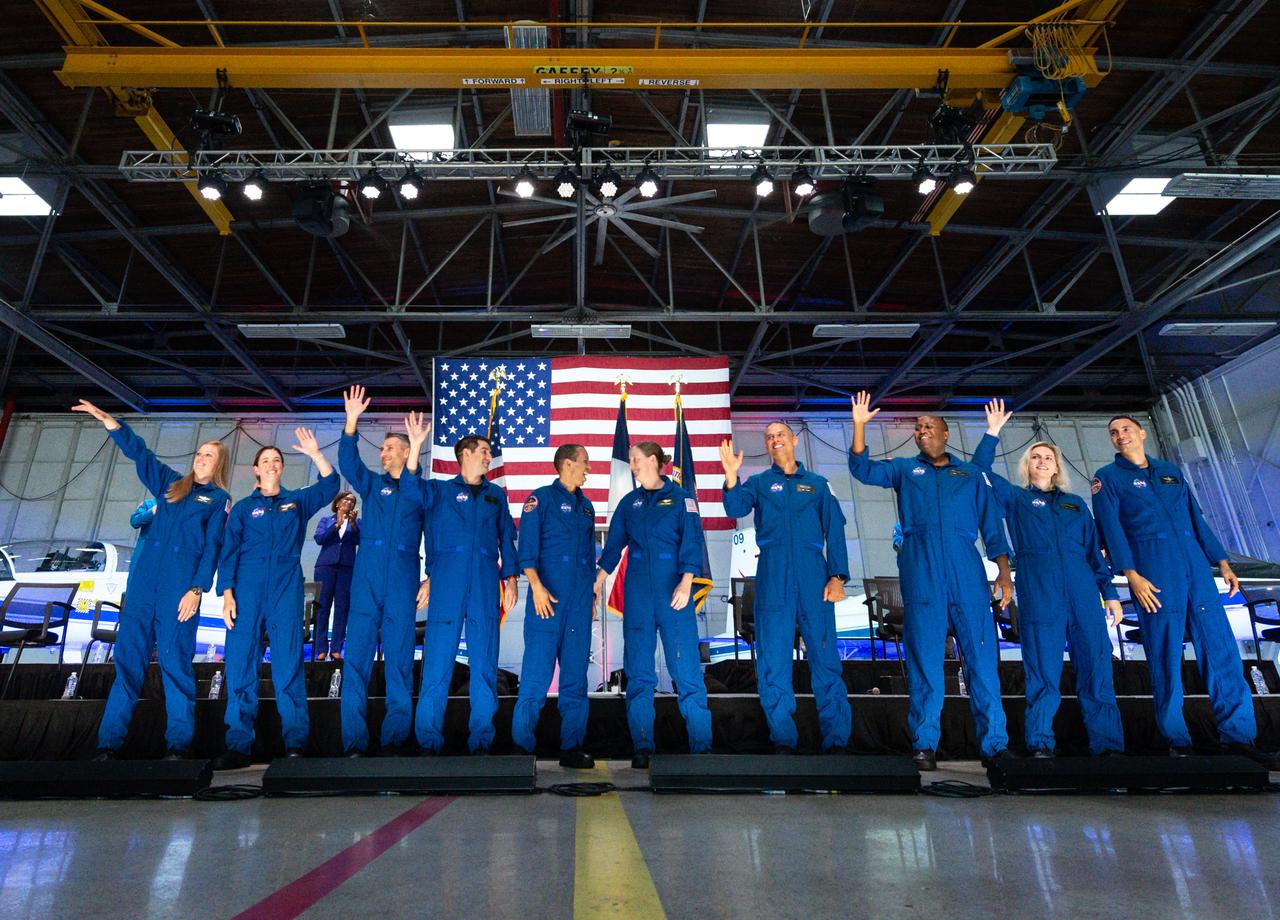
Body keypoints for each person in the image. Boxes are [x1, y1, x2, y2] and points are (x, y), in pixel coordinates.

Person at [1091, 414, 1276, 766]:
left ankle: (1238, 736)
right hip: (1153, 574)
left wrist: (1221, 562)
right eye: (1114, 433)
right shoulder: (1107, 479)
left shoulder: (1170, 472)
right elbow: (1110, 529)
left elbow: (1197, 518)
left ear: (1142, 433)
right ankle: (1177, 740)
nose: (1120, 436)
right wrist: (1131, 574)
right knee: (1165, 657)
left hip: (1196, 570)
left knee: (1221, 650)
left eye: (1126, 429)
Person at [848, 392, 1015, 771]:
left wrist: (1004, 573)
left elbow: (992, 528)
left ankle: (995, 745)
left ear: (945, 433)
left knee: (982, 660)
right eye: (918, 427)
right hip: (921, 569)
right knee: (925, 660)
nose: (922, 431)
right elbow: (862, 470)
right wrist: (859, 425)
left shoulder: (970, 474)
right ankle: (924, 744)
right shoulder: (906, 469)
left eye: (929, 426)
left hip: (966, 571)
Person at [73, 399, 230, 760]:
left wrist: (197, 589)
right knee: (127, 663)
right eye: (200, 453)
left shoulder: (218, 499)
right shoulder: (170, 485)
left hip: (178, 594)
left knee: (175, 666)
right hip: (143, 589)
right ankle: (108, 744)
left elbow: (213, 549)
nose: (201, 458)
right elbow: (139, 454)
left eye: (209, 455)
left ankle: (177, 746)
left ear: (219, 463)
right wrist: (109, 421)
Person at [972, 400, 1125, 758]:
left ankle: (1108, 747)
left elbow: (1093, 553)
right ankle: (1041, 743)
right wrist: (992, 432)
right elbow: (977, 469)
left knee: (1097, 669)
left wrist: (1111, 593)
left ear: (1057, 467)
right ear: (1027, 465)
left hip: (1083, 591)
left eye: (1048, 457)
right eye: (1035, 457)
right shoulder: (1015, 498)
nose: (1042, 461)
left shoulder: (1075, 504)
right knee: (1042, 669)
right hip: (1040, 590)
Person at [720, 423, 853, 755]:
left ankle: (836, 741)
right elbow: (736, 508)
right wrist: (731, 477)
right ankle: (783, 740)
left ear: (793, 440)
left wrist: (837, 575)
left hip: (813, 573)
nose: (774, 439)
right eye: (769, 437)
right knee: (773, 660)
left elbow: (835, 529)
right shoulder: (760, 483)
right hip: (773, 573)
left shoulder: (819, 485)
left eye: (780, 434)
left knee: (824, 657)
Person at [211, 431, 339, 770]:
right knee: (240, 666)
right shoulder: (241, 509)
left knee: (288, 665)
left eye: (277, 461)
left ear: (282, 469)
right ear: (255, 470)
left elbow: (330, 485)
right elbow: (228, 553)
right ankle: (238, 746)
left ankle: (295, 744)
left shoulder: (296, 502)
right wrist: (226, 593)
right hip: (245, 590)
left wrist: (315, 453)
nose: (271, 464)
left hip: (285, 588)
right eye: (265, 460)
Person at [597, 441, 713, 768]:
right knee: (639, 672)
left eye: (634, 459)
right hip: (637, 595)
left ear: (652, 460)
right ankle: (643, 747)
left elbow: (692, 541)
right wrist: (597, 581)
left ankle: (702, 748)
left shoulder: (681, 498)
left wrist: (687, 581)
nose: (631, 465)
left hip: (673, 592)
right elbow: (613, 547)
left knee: (686, 670)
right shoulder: (629, 503)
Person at [405, 418, 518, 755]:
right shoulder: (439, 491)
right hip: (447, 580)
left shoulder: (496, 496)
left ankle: (481, 741)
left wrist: (510, 580)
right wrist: (414, 447)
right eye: (484, 451)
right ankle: (428, 741)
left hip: (485, 580)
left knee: (485, 661)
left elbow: (507, 541)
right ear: (466, 454)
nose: (488, 457)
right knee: (438, 660)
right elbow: (411, 489)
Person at [337, 386, 426, 757]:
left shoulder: (420, 488)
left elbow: (418, 502)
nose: (384, 452)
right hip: (367, 578)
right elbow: (349, 464)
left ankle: (393, 738)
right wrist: (352, 421)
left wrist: (431, 576)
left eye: (391, 447)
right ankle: (354, 742)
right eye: (384, 448)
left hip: (403, 579)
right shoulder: (371, 484)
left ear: (405, 453)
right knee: (355, 659)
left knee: (400, 660)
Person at [510, 444, 599, 768]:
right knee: (535, 676)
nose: (588, 468)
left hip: (577, 604)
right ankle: (522, 749)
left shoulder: (587, 508)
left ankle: (571, 747)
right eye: (584, 462)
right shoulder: (540, 500)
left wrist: (590, 597)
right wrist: (535, 587)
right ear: (567, 464)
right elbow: (527, 553)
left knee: (575, 678)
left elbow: (590, 559)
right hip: (546, 601)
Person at [313, 491, 360, 661]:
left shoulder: (357, 523)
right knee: (322, 607)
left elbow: (360, 540)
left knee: (342, 608)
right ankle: (320, 648)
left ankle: (336, 648)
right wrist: (336, 525)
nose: (349, 502)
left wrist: (353, 525)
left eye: (353, 501)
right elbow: (320, 539)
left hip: (346, 568)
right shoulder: (326, 520)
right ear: (338, 502)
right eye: (346, 499)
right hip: (325, 567)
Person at [130, 497, 157, 569]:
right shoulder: (149, 503)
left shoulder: (182, 508)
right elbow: (134, 522)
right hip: (144, 554)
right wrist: (151, 512)